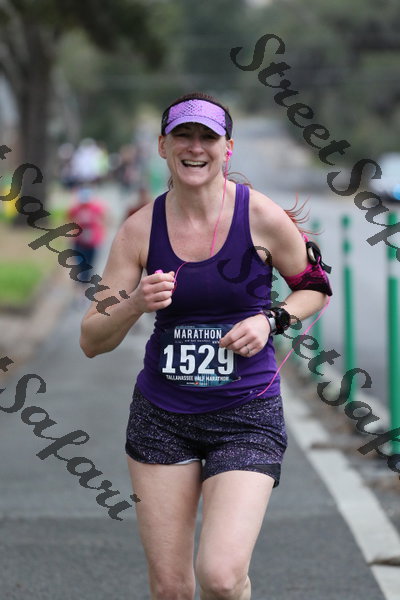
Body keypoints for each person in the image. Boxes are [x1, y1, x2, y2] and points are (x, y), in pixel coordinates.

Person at [80, 92, 332, 600]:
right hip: (162, 418)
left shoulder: (259, 216)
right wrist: (134, 303)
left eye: (208, 137)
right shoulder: (139, 229)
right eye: (183, 136)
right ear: (163, 146)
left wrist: (272, 318)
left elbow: (315, 286)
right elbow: (91, 339)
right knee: (172, 589)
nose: (195, 147)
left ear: (227, 148)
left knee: (221, 576)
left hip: (245, 415)